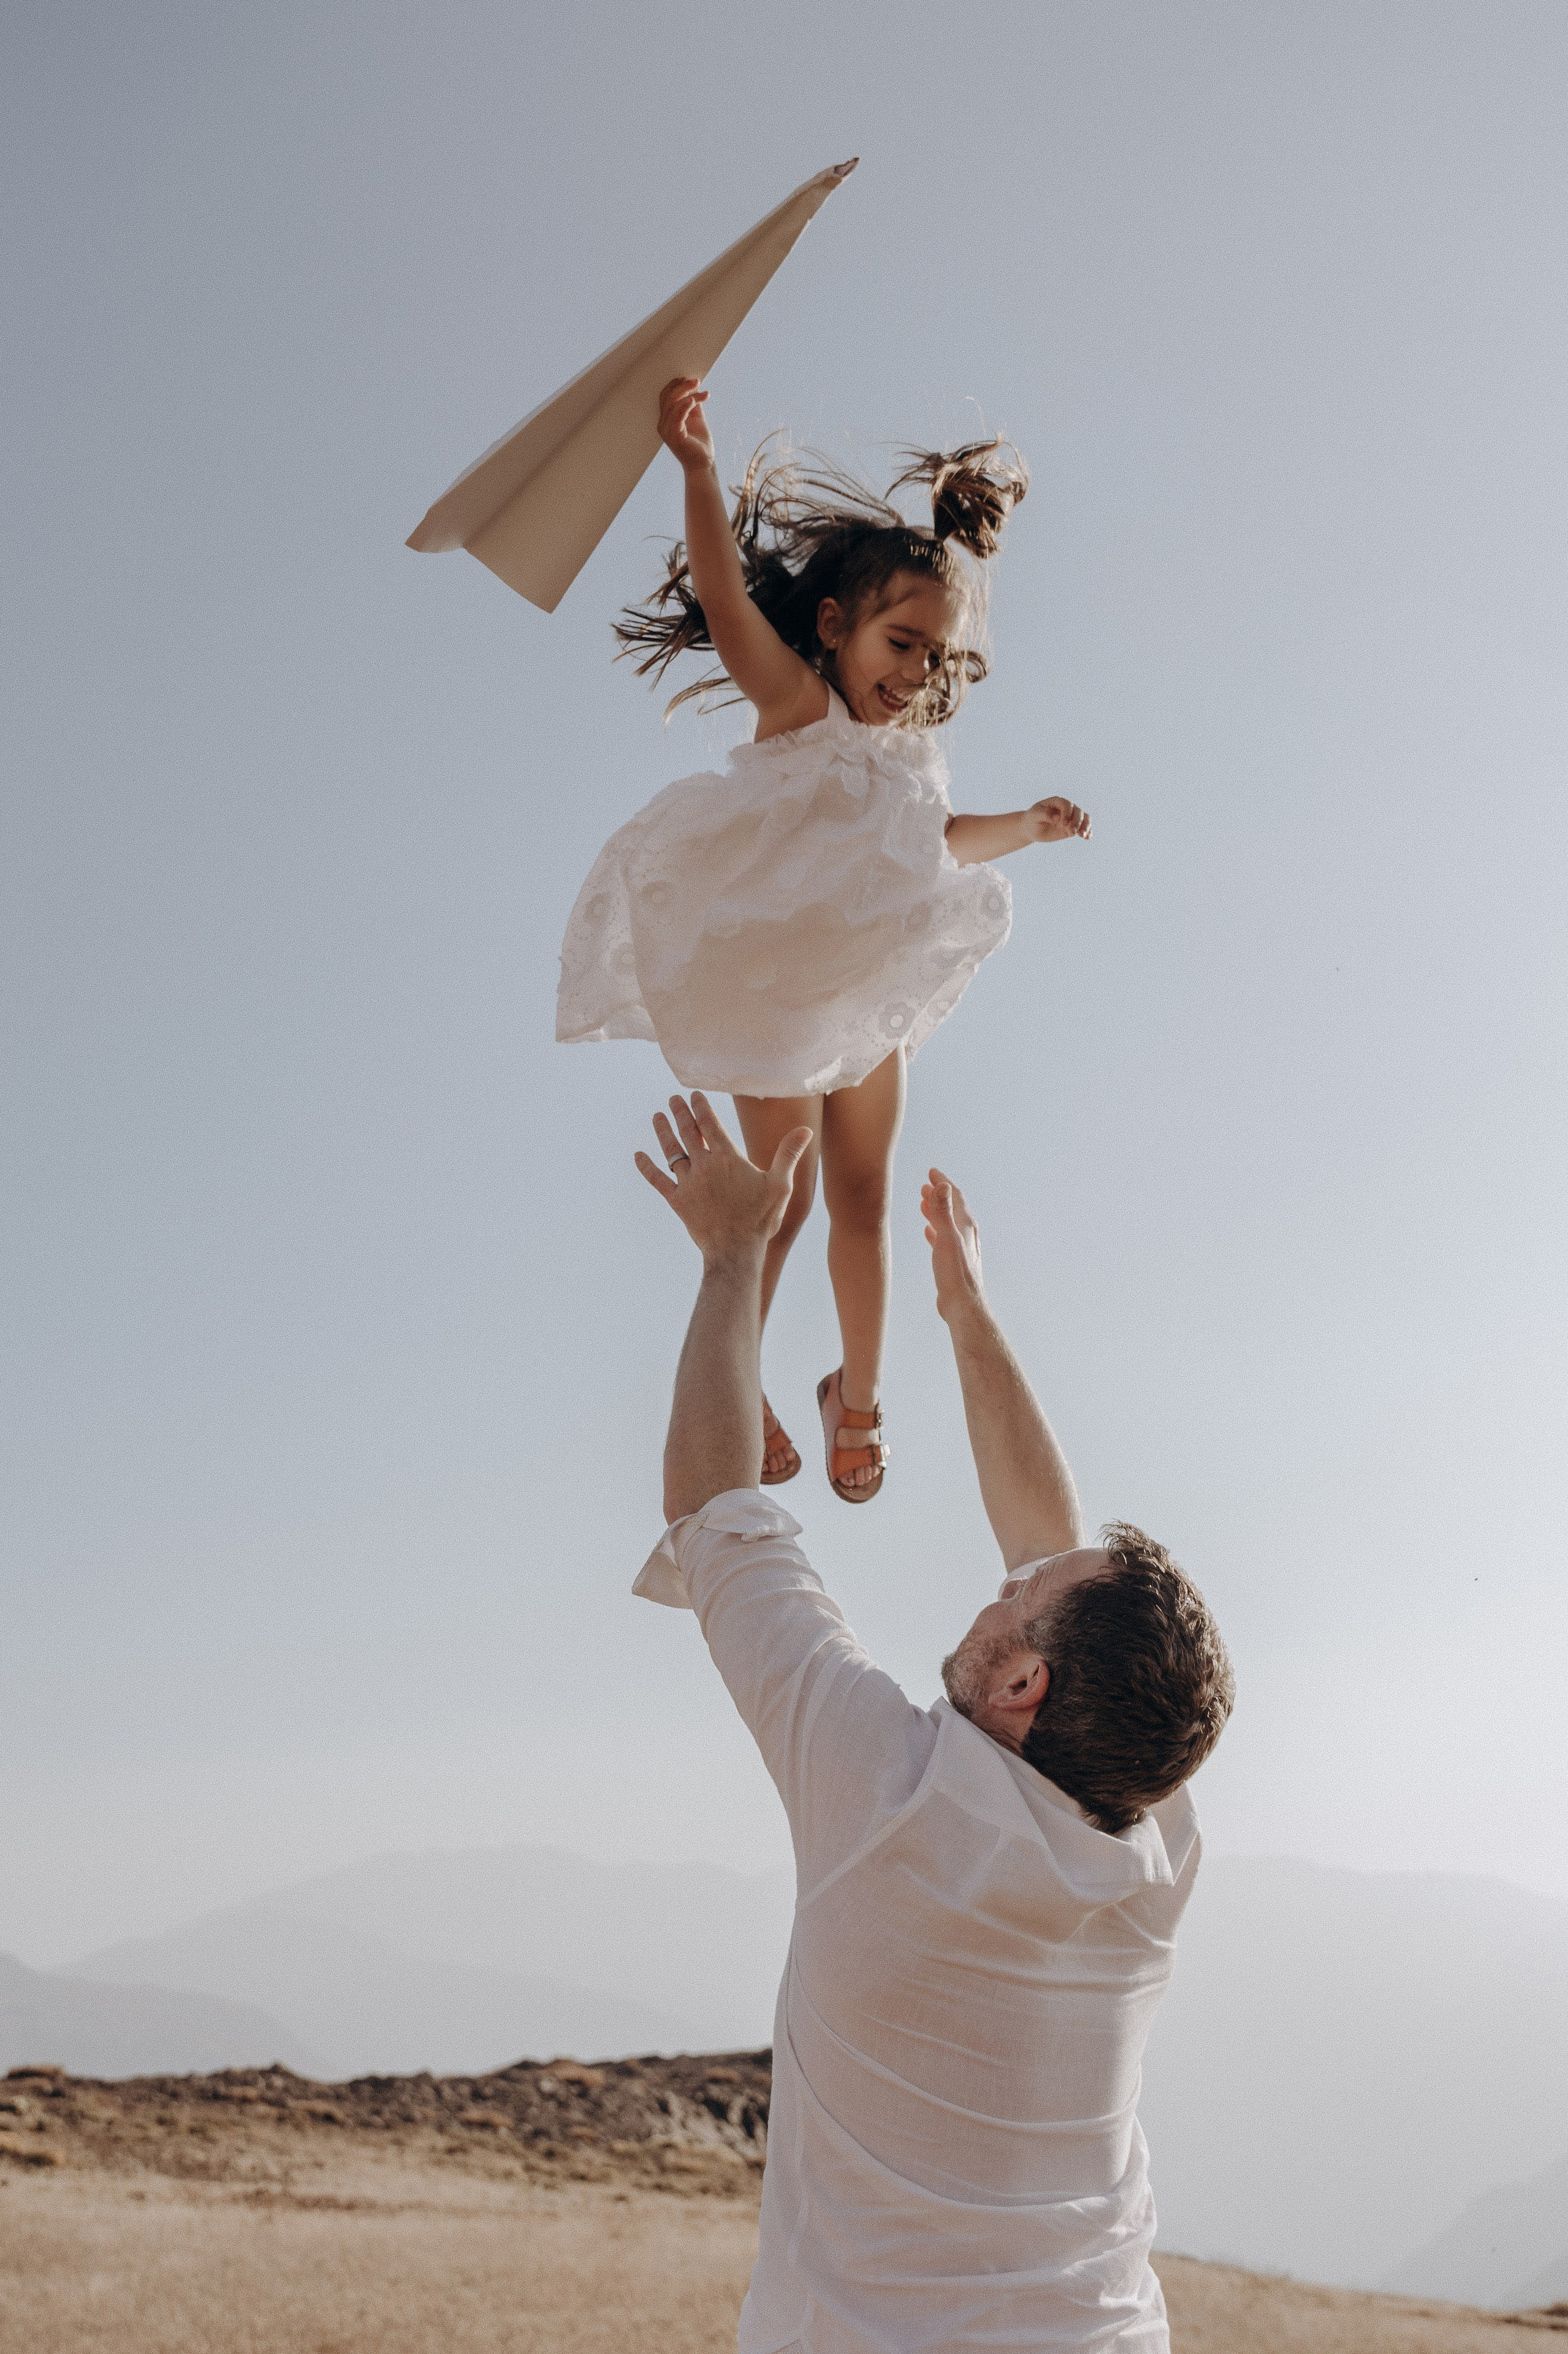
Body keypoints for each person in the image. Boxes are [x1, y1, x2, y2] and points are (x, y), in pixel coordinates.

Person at [632, 1092, 1235, 2354]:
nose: (1002, 1575)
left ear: (1024, 1689)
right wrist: (963, 1313)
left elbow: (717, 1515)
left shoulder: (886, 1798)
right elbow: (1052, 1543)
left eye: (1019, 1597)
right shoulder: (1147, 1839)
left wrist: (736, 1253)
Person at [559, 378, 1091, 1502]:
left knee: (864, 1194)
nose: (915, 674)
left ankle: (858, 1398)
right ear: (840, 626)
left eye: (934, 658)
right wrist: (698, 471)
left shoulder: (907, 765)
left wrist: (1029, 830)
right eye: (902, 643)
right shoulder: (798, 708)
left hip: (867, 988)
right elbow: (722, 594)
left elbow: (938, 840)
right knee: (784, 1199)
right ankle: (739, 1374)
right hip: (778, 988)